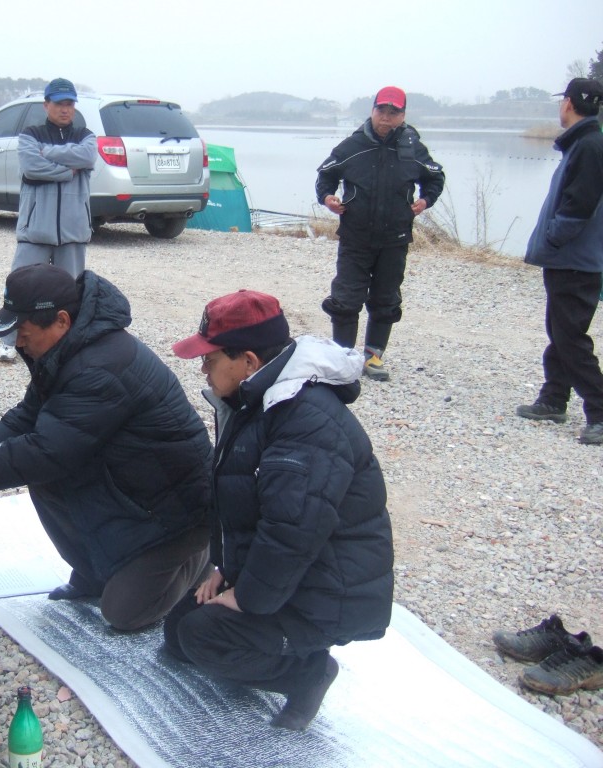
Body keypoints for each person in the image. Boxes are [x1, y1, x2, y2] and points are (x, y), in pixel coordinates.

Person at [0, 263, 212, 631]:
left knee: (124, 614)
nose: (18, 343)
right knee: (47, 479)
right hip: (133, 487)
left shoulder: (99, 367)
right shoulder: (67, 349)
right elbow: (30, 413)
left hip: (179, 513)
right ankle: (97, 572)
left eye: (24, 333)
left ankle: (201, 558)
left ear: (61, 320)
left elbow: (48, 452)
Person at [164, 290, 394, 731]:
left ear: (249, 361)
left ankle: (309, 672)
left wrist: (246, 596)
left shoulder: (304, 421)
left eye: (210, 358)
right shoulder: (258, 398)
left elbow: (293, 532)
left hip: (327, 592)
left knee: (201, 637)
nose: (203, 368)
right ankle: (280, 640)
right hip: (295, 574)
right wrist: (226, 570)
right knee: (178, 632)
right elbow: (246, 504)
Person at [315, 85, 444, 381]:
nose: (386, 117)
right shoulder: (353, 145)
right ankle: (344, 358)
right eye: (381, 110)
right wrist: (327, 198)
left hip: (395, 239)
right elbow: (326, 175)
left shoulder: (413, 148)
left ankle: (373, 357)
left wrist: (425, 200)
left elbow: (435, 177)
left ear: (403, 115)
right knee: (346, 299)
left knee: (386, 299)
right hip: (355, 237)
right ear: (372, 111)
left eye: (393, 112)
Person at [516, 78, 603, 446]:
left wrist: (552, 239)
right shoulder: (583, 142)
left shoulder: (589, 145)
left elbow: (578, 207)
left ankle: (599, 411)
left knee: (570, 337)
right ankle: (553, 398)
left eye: (562, 102)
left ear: (568, 103)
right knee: (561, 331)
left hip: (576, 260)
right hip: (572, 259)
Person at [0, 77, 97, 362]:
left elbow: (88, 156)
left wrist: (49, 153)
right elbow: (32, 167)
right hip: (35, 229)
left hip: (73, 230)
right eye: (59, 103)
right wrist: (67, 171)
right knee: (20, 286)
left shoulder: (85, 135)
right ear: (46, 105)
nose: (65, 109)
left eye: (70, 104)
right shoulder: (31, 134)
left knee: (71, 291)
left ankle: (68, 343)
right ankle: (9, 340)